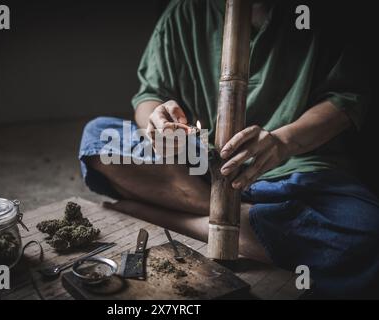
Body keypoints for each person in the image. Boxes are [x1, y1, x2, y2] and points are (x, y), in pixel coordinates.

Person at [79, 0, 379, 297]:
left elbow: (346, 95)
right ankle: (234, 218)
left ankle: (173, 216)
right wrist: (156, 122)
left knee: (365, 237)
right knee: (98, 137)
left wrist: (283, 141)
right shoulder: (186, 10)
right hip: (198, 162)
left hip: (293, 168)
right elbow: (150, 94)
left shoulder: (326, 11)